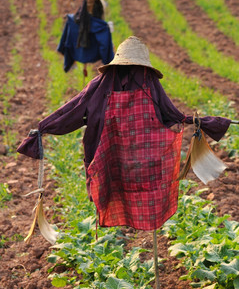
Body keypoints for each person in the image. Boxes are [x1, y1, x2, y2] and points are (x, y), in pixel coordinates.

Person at [18, 36, 231, 232]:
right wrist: (45, 126)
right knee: (141, 193)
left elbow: (72, 110)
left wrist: (44, 127)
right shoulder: (130, 84)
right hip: (139, 162)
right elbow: (171, 114)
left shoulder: (113, 86)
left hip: (117, 163)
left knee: (124, 190)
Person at [57, 0, 114, 74]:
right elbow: (105, 49)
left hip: (76, 53)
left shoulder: (72, 21)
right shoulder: (102, 27)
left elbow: (65, 42)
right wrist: (109, 62)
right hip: (94, 56)